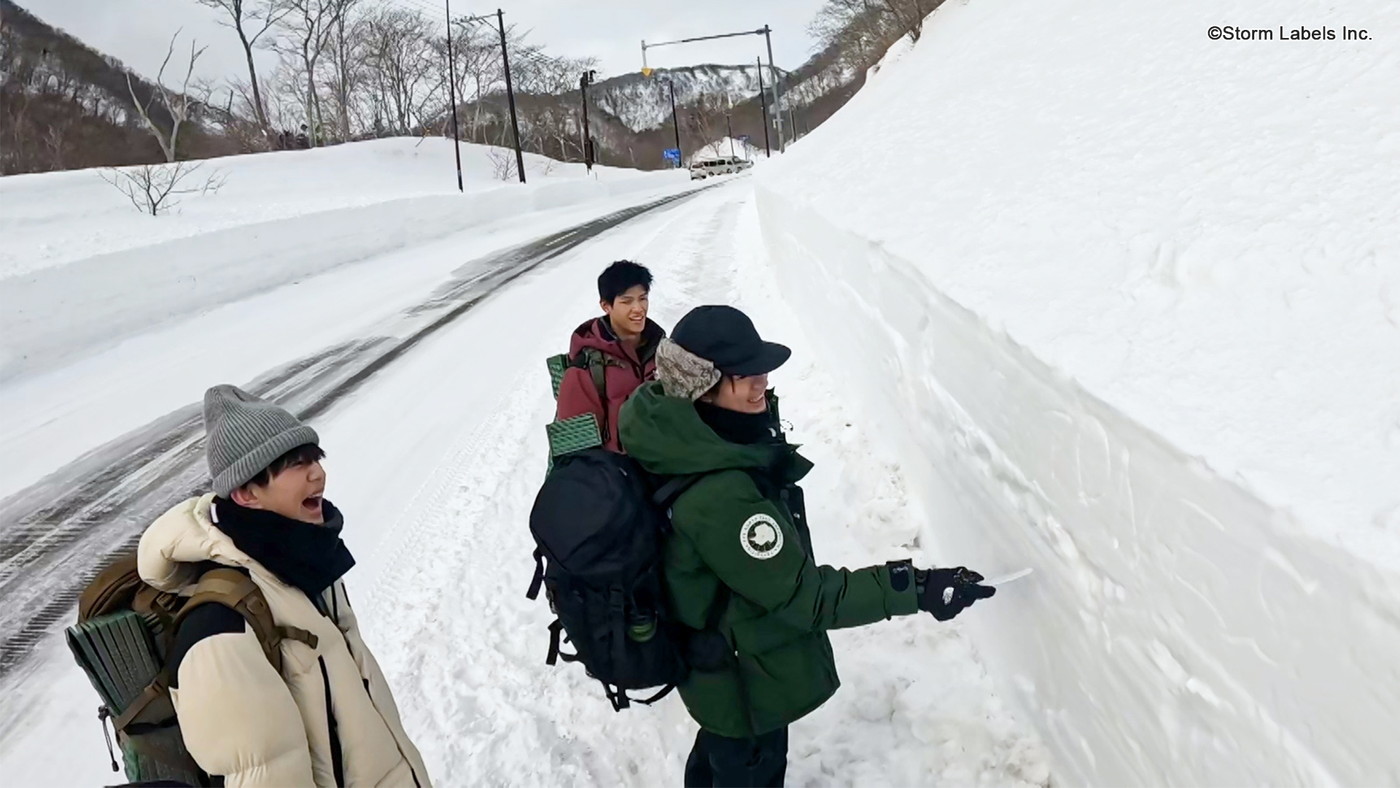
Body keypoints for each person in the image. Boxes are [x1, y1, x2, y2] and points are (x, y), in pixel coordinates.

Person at [618, 305, 997, 787]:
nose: (763, 383)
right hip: (742, 681)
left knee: (719, 751)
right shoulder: (720, 495)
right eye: (745, 375)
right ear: (702, 388)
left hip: (717, 668)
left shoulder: (674, 432)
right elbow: (806, 597)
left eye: (762, 370)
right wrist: (917, 587)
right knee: (746, 761)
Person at [136, 385, 431, 787]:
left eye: (316, 457)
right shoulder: (221, 629)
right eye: (296, 463)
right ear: (246, 493)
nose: (318, 473)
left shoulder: (305, 566)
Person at [554, 260, 665, 452]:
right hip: (617, 472)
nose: (638, 308)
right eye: (626, 301)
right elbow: (577, 452)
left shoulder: (662, 349)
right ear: (606, 306)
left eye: (643, 298)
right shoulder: (586, 369)